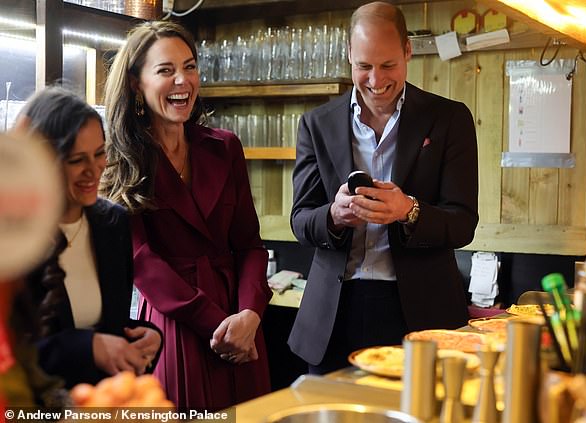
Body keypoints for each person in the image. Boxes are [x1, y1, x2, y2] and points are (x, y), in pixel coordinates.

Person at [288, 1, 479, 374]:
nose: (376, 80)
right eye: (364, 66)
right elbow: (300, 220)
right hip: (334, 315)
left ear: (408, 51)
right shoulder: (317, 123)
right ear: (348, 56)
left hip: (420, 312)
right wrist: (333, 215)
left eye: (388, 65)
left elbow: (462, 224)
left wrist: (409, 210)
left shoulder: (449, 119)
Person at [100, 21, 271, 410]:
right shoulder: (121, 160)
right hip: (177, 327)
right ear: (134, 84)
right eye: (165, 70)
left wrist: (249, 314)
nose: (183, 80)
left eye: (190, 66)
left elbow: (250, 244)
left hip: (241, 322)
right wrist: (218, 325)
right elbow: (142, 263)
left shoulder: (225, 147)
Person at [15, 87, 162, 388]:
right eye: (76, 160)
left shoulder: (113, 224)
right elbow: (12, 357)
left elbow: (110, 324)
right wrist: (87, 347)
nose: (93, 170)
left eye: (99, 153)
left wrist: (146, 336)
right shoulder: (15, 240)